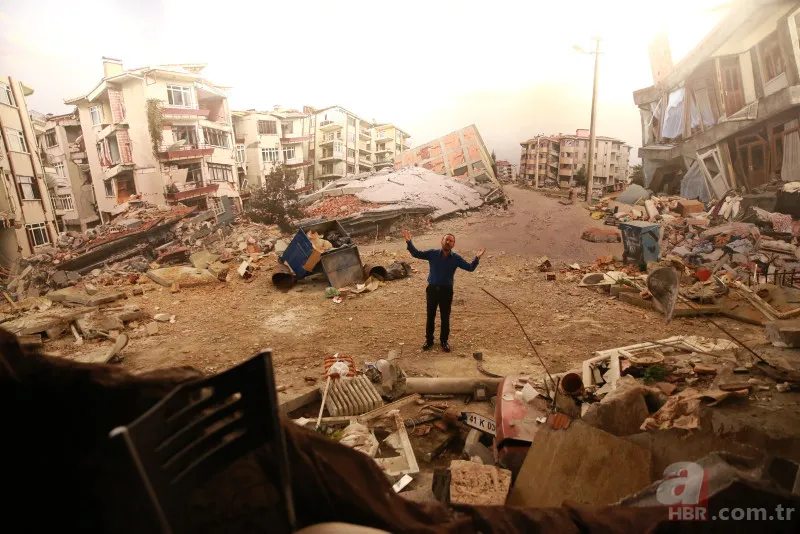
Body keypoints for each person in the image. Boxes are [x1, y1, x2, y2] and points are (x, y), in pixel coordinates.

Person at [402, 230, 485, 352]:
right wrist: (409, 241)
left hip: (446, 291)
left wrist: (477, 258)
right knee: (431, 316)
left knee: (445, 317)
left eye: (451, 241)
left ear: (453, 244)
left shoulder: (456, 258)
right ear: (442, 241)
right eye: (446, 239)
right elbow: (416, 253)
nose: (448, 242)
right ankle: (429, 340)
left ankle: (444, 341)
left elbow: (470, 268)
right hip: (432, 290)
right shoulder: (432, 254)